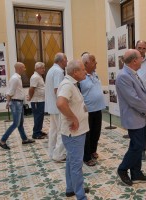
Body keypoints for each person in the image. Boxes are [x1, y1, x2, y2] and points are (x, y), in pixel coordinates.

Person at [116, 49, 146, 186]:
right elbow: (133, 100)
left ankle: (136, 173)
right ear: (134, 61)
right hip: (134, 117)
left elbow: (144, 93)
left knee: (138, 145)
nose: (142, 60)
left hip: (141, 116)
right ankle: (122, 169)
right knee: (137, 146)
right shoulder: (123, 76)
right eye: (140, 58)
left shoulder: (133, 73)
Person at [56, 59, 89, 199]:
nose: (85, 71)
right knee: (76, 165)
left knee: (71, 161)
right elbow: (61, 103)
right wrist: (74, 118)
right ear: (75, 72)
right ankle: (80, 196)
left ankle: (71, 188)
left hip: (76, 133)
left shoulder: (72, 84)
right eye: (83, 69)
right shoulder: (67, 85)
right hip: (74, 133)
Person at [0, 62, 35, 150]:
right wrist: (8, 102)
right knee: (16, 123)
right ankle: (2, 141)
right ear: (20, 68)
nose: (25, 69)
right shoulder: (15, 78)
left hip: (18, 103)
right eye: (24, 67)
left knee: (20, 123)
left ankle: (24, 139)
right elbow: (10, 91)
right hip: (15, 103)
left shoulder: (17, 78)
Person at [80, 53, 106, 166]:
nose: (96, 62)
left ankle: (93, 150)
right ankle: (86, 157)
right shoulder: (80, 77)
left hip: (98, 108)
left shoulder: (95, 74)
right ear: (86, 63)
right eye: (93, 60)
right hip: (87, 110)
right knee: (87, 134)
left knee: (96, 132)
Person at [45, 53, 67, 162]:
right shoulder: (59, 71)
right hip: (58, 107)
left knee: (53, 130)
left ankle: (51, 152)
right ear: (61, 61)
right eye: (66, 60)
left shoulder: (51, 70)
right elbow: (57, 90)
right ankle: (58, 155)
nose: (67, 62)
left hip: (52, 106)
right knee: (61, 130)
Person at [28, 62, 47, 139]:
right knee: (38, 117)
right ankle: (36, 133)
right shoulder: (35, 77)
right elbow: (31, 88)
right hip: (37, 101)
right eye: (42, 68)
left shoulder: (39, 76)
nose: (44, 69)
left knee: (40, 116)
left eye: (44, 68)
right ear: (37, 69)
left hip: (41, 100)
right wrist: (30, 97)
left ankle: (39, 131)